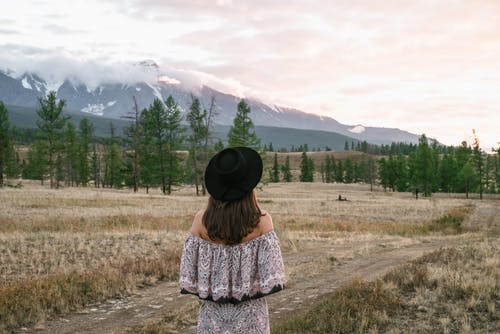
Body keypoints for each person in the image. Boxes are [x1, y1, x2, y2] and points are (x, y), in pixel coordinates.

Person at [179, 147, 286, 333]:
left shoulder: (201, 221)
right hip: (251, 320)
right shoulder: (262, 222)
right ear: (249, 187)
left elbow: (190, 274)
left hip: (212, 320)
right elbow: (271, 275)